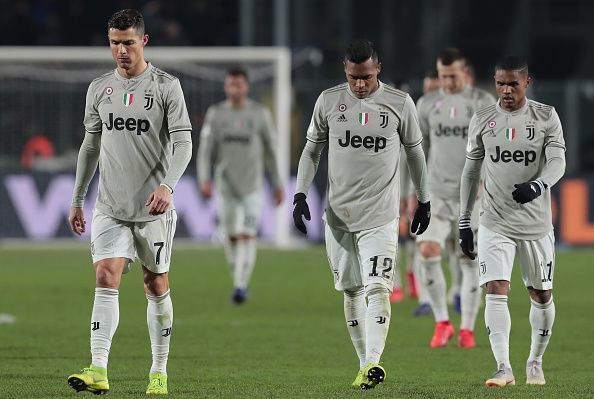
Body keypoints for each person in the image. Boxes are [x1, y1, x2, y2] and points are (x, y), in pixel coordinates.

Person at [66, 9, 192, 395]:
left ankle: (158, 371)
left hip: (153, 208)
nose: (121, 51)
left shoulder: (166, 87)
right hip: (110, 206)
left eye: (129, 43)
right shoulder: (99, 88)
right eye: (115, 43)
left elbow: (184, 143)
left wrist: (168, 187)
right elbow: (90, 146)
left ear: (144, 42)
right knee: (106, 275)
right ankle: (98, 369)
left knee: (155, 284)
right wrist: (77, 198)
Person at [292, 39, 431, 389]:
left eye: (366, 77)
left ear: (378, 69)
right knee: (351, 291)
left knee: (378, 288)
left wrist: (423, 200)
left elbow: (415, 154)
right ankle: (361, 364)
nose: (359, 84)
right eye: (354, 77)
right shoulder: (328, 101)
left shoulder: (400, 103)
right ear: (345, 69)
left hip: (381, 216)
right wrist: (299, 194)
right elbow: (311, 151)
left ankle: (373, 363)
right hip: (338, 215)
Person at [459, 55, 565, 386]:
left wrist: (539, 184)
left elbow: (558, 161)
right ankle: (503, 367)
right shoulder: (482, 118)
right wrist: (465, 221)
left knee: (541, 294)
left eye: (513, 84)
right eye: (500, 83)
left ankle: (535, 360)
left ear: (526, 83)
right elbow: (471, 171)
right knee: (496, 287)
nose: (506, 90)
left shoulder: (546, 116)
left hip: (535, 224)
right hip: (495, 219)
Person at [416, 48, 496, 348]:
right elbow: (417, 150)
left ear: (466, 73)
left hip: (473, 197)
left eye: (452, 75)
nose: (447, 81)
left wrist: (487, 183)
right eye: (442, 75)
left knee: (469, 258)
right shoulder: (426, 105)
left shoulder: (483, 103)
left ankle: (467, 328)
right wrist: (416, 193)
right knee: (426, 250)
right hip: (437, 193)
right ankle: (442, 322)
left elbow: (495, 147)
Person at [197, 66, 284, 304]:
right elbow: (205, 152)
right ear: (226, 87)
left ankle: (240, 285)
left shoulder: (259, 114)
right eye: (230, 84)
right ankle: (238, 277)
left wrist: (278, 183)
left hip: (252, 187)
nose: (234, 88)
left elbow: (272, 151)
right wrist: (204, 179)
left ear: (246, 86)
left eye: (239, 84)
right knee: (232, 237)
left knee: (247, 236)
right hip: (226, 187)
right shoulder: (216, 114)